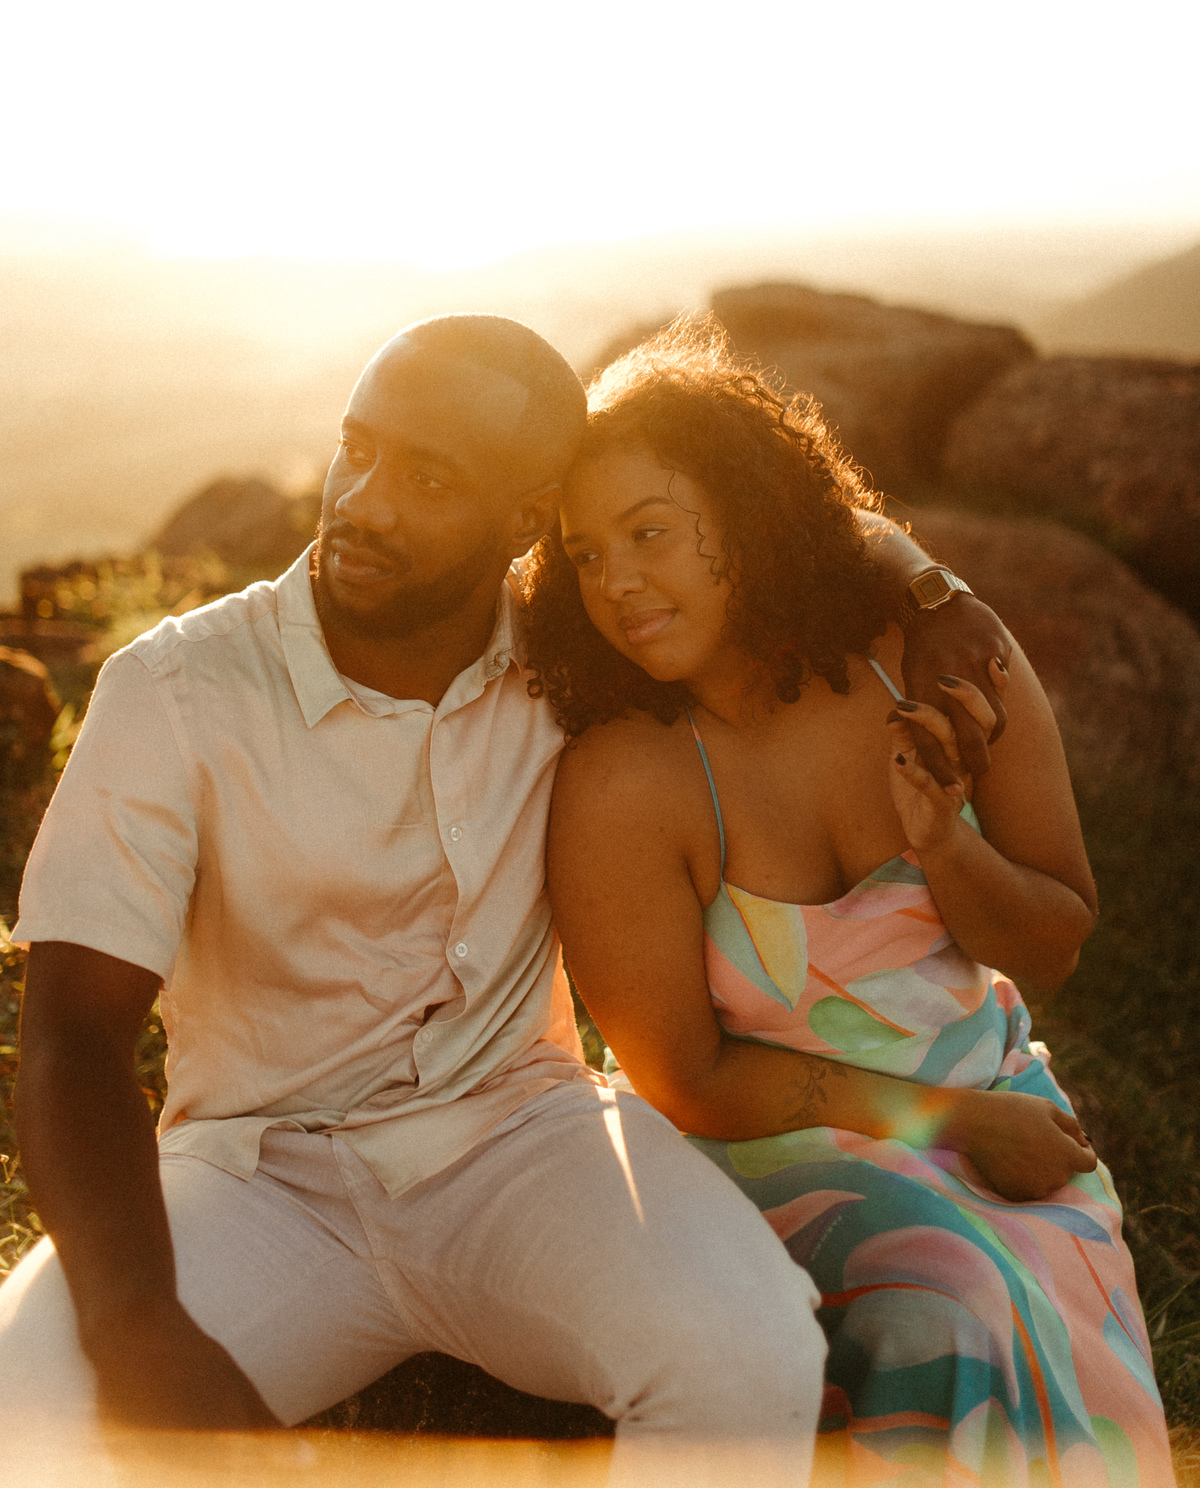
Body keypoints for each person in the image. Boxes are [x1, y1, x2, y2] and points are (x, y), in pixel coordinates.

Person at [3, 313, 1013, 1482]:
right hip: (259, 1174)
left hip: (524, 1138)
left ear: (528, 520)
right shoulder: (176, 691)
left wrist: (932, 590)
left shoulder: (577, 649)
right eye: (358, 448)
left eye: (430, 479)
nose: (365, 502)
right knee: (24, 1403)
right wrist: (138, 1320)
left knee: (750, 1360)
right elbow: (73, 1037)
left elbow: (767, 530)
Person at [531, 318, 1174, 1487]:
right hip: (762, 1151)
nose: (616, 581)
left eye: (651, 532)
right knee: (955, 1299)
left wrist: (946, 849)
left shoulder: (932, 661)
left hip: (1001, 1106)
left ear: (748, 517)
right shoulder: (625, 779)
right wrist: (951, 1125)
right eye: (585, 553)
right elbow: (686, 1077)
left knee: (1031, 1294)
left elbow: (1057, 944)